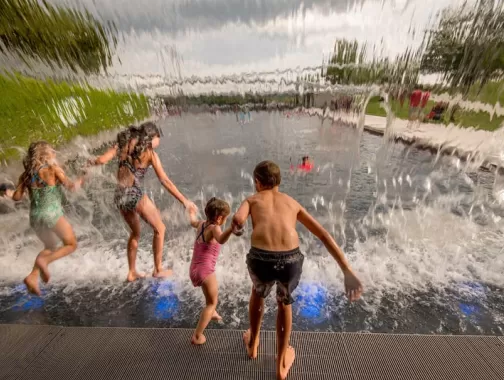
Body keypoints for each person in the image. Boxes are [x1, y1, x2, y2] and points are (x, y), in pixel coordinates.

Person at [232, 160, 363, 380]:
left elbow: (238, 218)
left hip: (261, 259)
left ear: (257, 182)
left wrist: (237, 224)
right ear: (279, 182)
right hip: (289, 259)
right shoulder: (292, 203)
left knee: (257, 292)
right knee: (284, 303)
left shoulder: (252, 200)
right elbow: (323, 235)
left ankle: (253, 344)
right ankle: (281, 364)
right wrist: (346, 270)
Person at [90, 122, 197, 281]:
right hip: (134, 194)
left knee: (135, 233)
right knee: (160, 228)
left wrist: (87, 163)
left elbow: (101, 160)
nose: (159, 142)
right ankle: (158, 269)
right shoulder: (150, 154)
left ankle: (131, 272)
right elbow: (165, 181)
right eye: (158, 138)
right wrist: (185, 201)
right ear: (151, 138)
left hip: (120, 196)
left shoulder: (123, 145)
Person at [12, 141, 84, 295]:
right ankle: (45, 261)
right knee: (71, 244)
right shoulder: (52, 169)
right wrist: (82, 178)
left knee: (50, 246)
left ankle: (33, 276)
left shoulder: (26, 175)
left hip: (35, 217)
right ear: (46, 156)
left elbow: (16, 197)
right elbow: (72, 187)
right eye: (52, 152)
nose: (55, 154)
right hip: (51, 213)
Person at [188, 197, 235, 345]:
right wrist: (231, 229)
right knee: (212, 302)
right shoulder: (215, 228)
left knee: (210, 297)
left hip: (194, 268)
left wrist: (191, 212)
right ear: (220, 218)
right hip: (205, 270)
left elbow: (192, 222)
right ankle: (197, 335)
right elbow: (220, 239)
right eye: (226, 218)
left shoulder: (201, 224)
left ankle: (212, 313)